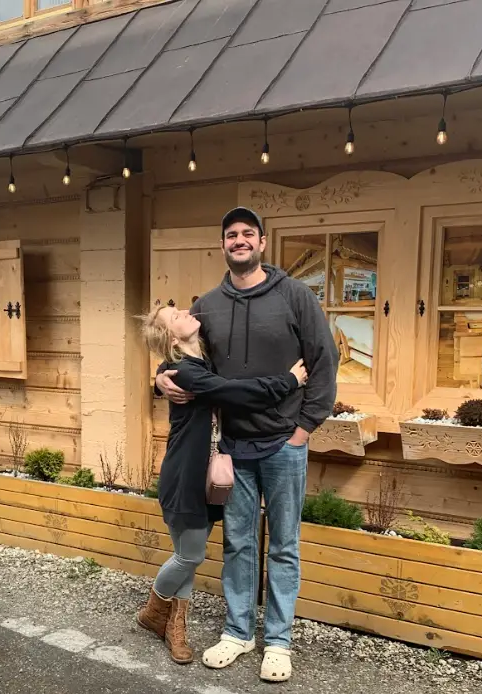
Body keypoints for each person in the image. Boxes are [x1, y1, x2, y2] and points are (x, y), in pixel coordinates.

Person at [154, 207, 339, 683]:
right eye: (231, 235)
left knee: (283, 546)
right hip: (233, 447)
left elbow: (324, 359)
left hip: (284, 444)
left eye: (247, 234)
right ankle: (238, 632)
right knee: (238, 543)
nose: (239, 240)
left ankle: (278, 641)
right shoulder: (209, 306)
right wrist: (158, 381)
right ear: (223, 246)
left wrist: (304, 428)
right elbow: (180, 354)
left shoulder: (295, 296)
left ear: (262, 242)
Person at [137, 302, 308, 665]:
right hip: (185, 474)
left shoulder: (197, 362)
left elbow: (187, 374)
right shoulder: (185, 371)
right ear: (172, 339)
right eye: (176, 317)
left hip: (207, 474)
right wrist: (289, 381)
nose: (185, 312)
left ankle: (174, 626)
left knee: (189, 554)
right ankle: (153, 610)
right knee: (190, 554)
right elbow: (237, 392)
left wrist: (157, 378)